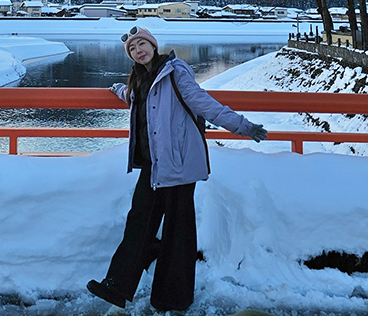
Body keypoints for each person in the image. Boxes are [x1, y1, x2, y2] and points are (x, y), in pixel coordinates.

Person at [87, 26, 267, 313]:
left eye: (142, 44)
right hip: (154, 166)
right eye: (133, 49)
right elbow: (134, 98)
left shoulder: (174, 72)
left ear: (153, 45)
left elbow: (204, 103)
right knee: (138, 224)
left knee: (177, 231)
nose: (138, 50)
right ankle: (117, 287)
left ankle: (172, 298)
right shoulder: (139, 82)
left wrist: (242, 126)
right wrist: (118, 89)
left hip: (180, 164)